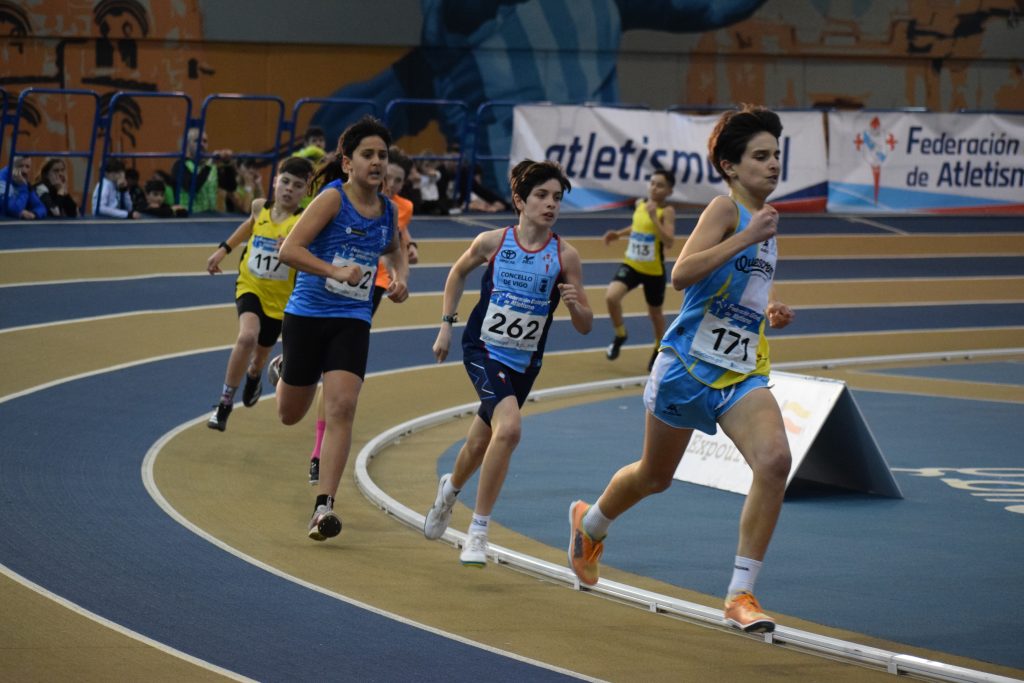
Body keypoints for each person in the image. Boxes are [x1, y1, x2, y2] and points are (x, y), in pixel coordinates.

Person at [567, 105, 795, 634]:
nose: (772, 165)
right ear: (730, 166)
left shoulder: (767, 225)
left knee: (775, 459)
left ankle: (741, 594)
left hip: (740, 373)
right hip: (687, 367)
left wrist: (770, 309)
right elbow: (682, 274)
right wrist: (746, 234)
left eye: (777, 155)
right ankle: (590, 523)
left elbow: (747, 289)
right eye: (760, 156)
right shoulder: (727, 210)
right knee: (654, 477)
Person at [423, 159, 593, 568]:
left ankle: (449, 488)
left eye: (557, 198)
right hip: (482, 349)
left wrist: (576, 308)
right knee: (511, 428)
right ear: (519, 200)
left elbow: (587, 326)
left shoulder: (565, 256)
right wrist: (446, 325)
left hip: (525, 363)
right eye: (541, 196)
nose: (551, 204)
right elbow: (456, 273)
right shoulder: (493, 242)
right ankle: (478, 531)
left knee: (481, 442)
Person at [268, 115, 409, 542]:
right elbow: (288, 249)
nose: (377, 163)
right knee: (290, 414)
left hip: (352, 320)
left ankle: (323, 507)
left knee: (342, 407)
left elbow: (394, 248)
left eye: (382, 156)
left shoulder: (386, 210)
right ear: (347, 162)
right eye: (368, 155)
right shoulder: (332, 199)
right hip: (308, 316)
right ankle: (284, 370)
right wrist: (334, 270)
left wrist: (399, 277)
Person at [305, 146, 419, 486]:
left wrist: (403, 269)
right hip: (329, 286)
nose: (393, 185)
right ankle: (298, 369)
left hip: (371, 288)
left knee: (336, 378)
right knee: (323, 372)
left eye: (399, 181)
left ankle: (317, 454)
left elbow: (396, 237)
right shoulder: (341, 198)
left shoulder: (400, 208)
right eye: (390, 178)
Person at [204, 156, 315, 431]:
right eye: (285, 182)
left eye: (298, 186)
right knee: (246, 337)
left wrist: (292, 248)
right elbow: (249, 224)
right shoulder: (259, 207)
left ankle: (254, 374)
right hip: (250, 286)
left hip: (281, 301)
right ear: (275, 181)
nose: (289, 189)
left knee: (262, 353)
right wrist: (223, 250)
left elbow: (311, 256)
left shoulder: (303, 223)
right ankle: (224, 403)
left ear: (306, 192)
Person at [602, 169, 677, 371]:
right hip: (632, 264)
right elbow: (637, 226)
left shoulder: (666, 211)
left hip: (653, 271)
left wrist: (654, 218)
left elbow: (669, 241)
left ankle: (657, 348)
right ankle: (620, 334)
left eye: (660, 185)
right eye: (652, 183)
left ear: (669, 191)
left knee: (655, 314)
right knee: (611, 297)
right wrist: (618, 234)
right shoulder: (639, 204)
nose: (654, 187)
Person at [170, 127, 231, 213]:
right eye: (197, 141)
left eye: (205, 141)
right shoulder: (179, 165)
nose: (201, 144)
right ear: (187, 144)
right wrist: (210, 164)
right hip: (188, 218)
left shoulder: (211, 167)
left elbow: (231, 186)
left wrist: (227, 163)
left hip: (209, 217)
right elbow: (192, 188)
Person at [0, 156, 46, 220]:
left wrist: (34, 214)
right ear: (11, 166)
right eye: (20, 166)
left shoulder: (24, 182)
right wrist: (22, 186)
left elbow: (40, 207)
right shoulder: (1, 179)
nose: (24, 170)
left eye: (27, 166)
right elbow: (14, 210)